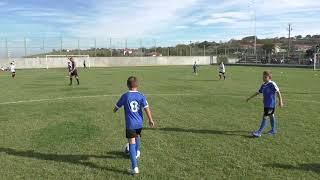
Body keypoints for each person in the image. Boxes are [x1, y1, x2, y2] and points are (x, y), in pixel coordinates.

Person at [113, 76, 155, 175]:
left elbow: (116, 107)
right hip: (139, 124)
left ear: (127, 85)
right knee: (138, 137)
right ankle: (136, 153)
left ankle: (134, 167)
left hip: (130, 124)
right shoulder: (141, 95)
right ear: (137, 85)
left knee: (131, 142)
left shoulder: (125, 96)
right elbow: (146, 108)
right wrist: (150, 119)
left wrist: (114, 110)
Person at [246, 71, 284, 137]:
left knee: (265, 116)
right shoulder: (263, 85)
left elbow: (278, 92)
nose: (263, 78)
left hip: (270, 104)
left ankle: (259, 132)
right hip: (266, 104)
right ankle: (273, 130)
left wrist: (280, 101)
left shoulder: (272, 84)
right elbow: (258, 92)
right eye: (263, 76)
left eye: (265, 77)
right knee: (271, 116)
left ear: (269, 77)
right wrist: (250, 97)